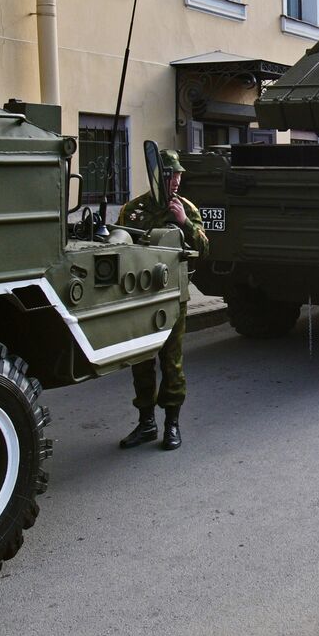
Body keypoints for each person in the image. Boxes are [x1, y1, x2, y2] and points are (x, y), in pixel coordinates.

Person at [116, 150, 209, 451]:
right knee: (141, 362)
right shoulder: (133, 209)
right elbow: (117, 247)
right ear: (158, 176)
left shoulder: (185, 208)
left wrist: (184, 222)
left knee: (172, 363)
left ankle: (172, 423)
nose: (177, 180)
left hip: (173, 297)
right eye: (171, 174)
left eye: (179, 174)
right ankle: (146, 423)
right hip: (141, 298)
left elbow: (205, 248)